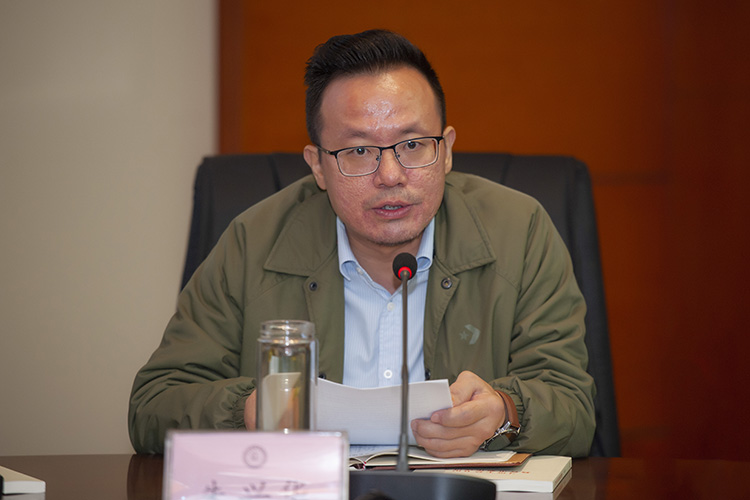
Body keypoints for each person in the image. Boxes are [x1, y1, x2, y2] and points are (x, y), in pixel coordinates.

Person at [129, 29, 595, 457]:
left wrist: (506, 413)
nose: (390, 175)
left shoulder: (520, 231)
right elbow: (153, 406)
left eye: (412, 145)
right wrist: (252, 411)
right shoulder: (252, 241)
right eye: (358, 151)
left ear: (447, 151)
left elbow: (573, 406)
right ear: (317, 166)